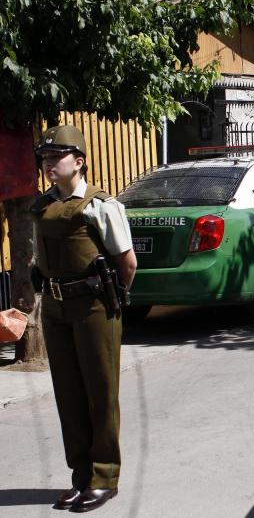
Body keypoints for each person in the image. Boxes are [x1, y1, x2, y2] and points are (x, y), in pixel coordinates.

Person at [30, 125, 137, 513]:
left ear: (79, 161)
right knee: (69, 395)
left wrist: (115, 301)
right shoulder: (42, 205)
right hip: (55, 307)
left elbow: (128, 262)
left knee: (100, 393)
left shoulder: (99, 204)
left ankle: (105, 477)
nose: (48, 163)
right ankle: (81, 477)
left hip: (94, 307)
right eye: (44, 157)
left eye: (56, 157)